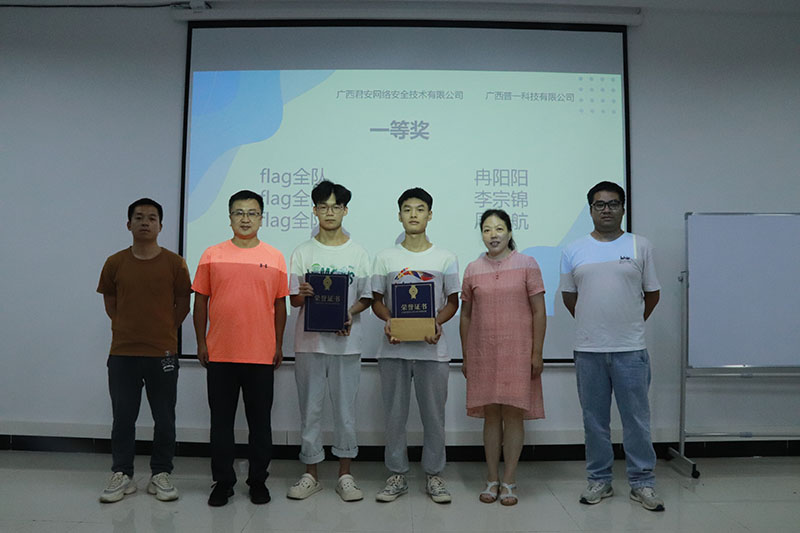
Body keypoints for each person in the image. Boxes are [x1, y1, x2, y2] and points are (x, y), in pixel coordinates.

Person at [560, 181, 664, 511]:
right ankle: (599, 480)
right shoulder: (573, 249)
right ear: (590, 209)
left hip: (630, 350)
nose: (606, 209)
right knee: (594, 421)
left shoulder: (640, 245)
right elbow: (570, 297)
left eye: (613, 203)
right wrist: (595, 323)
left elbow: (652, 294)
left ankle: (642, 482)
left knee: (636, 420)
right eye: (599, 204)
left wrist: (628, 322)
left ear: (623, 208)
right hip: (588, 350)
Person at [192, 190, 288, 507]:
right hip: (220, 353)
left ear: (261, 218)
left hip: (261, 354)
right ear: (230, 217)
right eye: (239, 212)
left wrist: (278, 343)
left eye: (252, 212)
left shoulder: (275, 257)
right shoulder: (211, 254)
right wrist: (201, 341)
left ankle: (258, 481)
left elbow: (280, 305)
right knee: (221, 424)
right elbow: (200, 302)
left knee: (260, 425)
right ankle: (223, 482)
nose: (245, 218)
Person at [96, 198, 192, 503]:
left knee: (165, 417)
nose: (145, 222)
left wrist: (163, 331)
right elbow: (111, 303)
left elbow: (183, 305)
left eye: (152, 218)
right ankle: (122, 473)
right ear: (129, 224)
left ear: (161, 226)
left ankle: (161, 473)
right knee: (123, 417)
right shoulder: (115, 262)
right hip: (123, 353)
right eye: (139, 217)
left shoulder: (175, 264)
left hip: (162, 354)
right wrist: (128, 328)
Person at [371, 187, 460, 504]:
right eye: (407, 209)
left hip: (432, 351)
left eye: (420, 209)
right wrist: (389, 321)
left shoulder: (445, 257)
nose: (413, 214)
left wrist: (436, 323)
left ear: (430, 215)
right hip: (393, 349)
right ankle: (396, 474)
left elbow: (453, 302)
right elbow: (377, 301)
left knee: (434, 418)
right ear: (399, 215)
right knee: (394, 417)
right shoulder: (385, 257)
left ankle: (434, 475)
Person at [286, 180, 372, 502]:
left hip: (346, 344)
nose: (330, 212)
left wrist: (349, 313)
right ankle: (311, 473)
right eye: (324, 207)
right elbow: (294, 300)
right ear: (315, 210)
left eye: (336, 206)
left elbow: (366, 297)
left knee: (345, 412)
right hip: (309, 344)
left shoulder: (358, 252)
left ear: (345, 210)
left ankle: (345, 475)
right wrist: (302, 294)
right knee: (310, 410)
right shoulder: (302, 252)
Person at [459, 209, 546, 506]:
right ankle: (491, 478)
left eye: (498, 228)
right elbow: (466, 315)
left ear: (509, 232)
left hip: (518, 352)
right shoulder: (472, 268)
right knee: (491, 416)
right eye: (486, 229)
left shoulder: (527, 264)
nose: (493, 234)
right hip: (483, 353)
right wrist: (466, 355)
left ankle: (509, 480)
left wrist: (537, 352)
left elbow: (539, 311)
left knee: (513, 415)